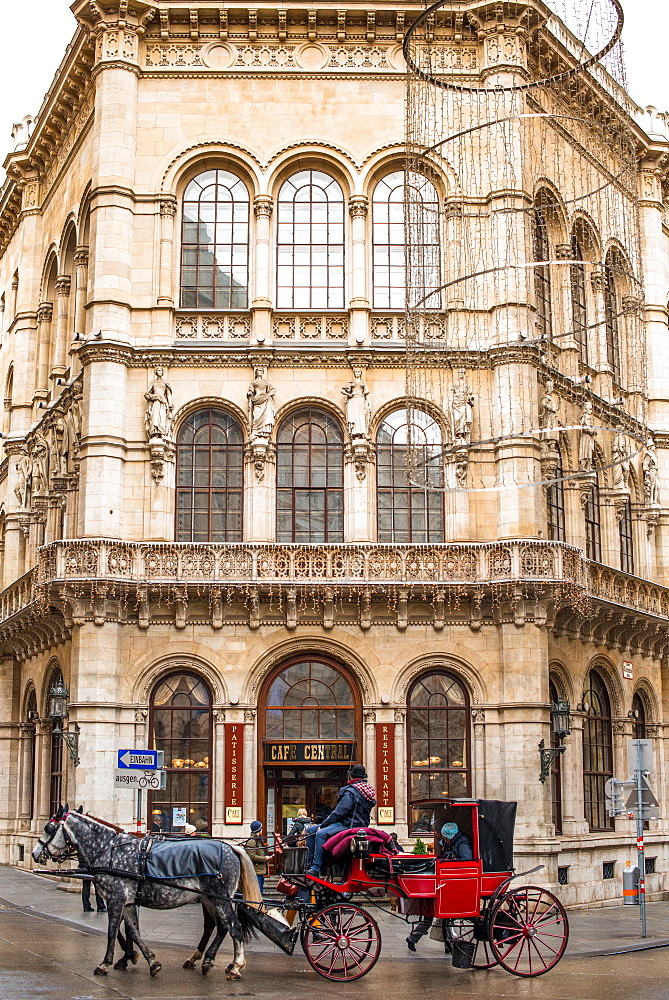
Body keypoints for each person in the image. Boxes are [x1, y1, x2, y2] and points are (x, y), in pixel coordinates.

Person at [406, 821, 473, 952]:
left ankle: (445, 943)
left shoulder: (462, 843)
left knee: (444, 915)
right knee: (437, 914)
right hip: (445, 882)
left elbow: (466, 861)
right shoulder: (454, 842)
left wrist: (449, 861)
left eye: (444, 838)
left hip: (452, 882)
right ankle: (444, 943)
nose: (443, 840)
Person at [305, 764, 376, 878]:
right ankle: (309, 863)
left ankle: (315, 867)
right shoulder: (366, 792)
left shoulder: (351, 792)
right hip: (358, 824)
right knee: (310, 830)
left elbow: (340, 812)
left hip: (349, 824)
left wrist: (324, 825)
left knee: (320, 833)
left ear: (351, 776)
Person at [243, 820, 270, 895]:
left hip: (260, 871)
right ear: (259, 830)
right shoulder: (252, 841)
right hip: (255, 872)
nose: (262, 830)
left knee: (260, 893)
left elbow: (261, 853)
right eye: (261, 828)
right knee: (257, 894)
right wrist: (265, 858)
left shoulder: (259, 840)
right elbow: (251, 856)